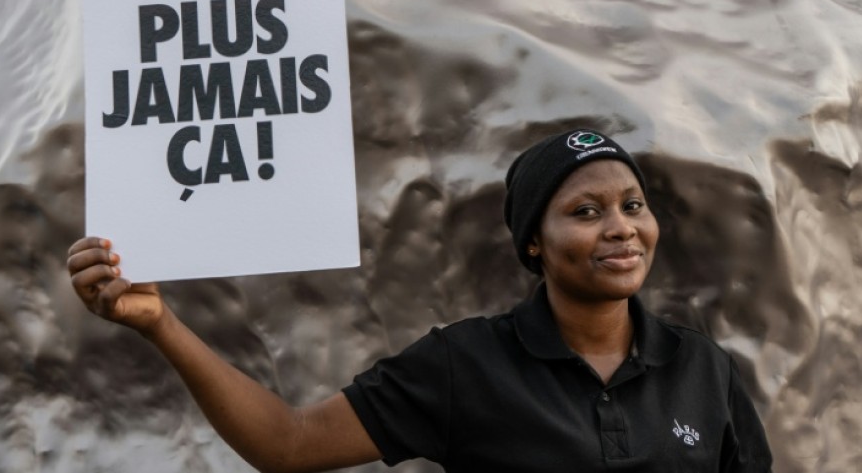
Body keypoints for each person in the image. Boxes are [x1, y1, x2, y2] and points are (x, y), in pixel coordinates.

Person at [67, 128, 773, 472]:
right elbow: (287, 443)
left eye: (633, 204)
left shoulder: (702, 368)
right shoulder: (466, 362)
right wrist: (161, 324)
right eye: (585, 211)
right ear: (534, 241)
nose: (621, 226)